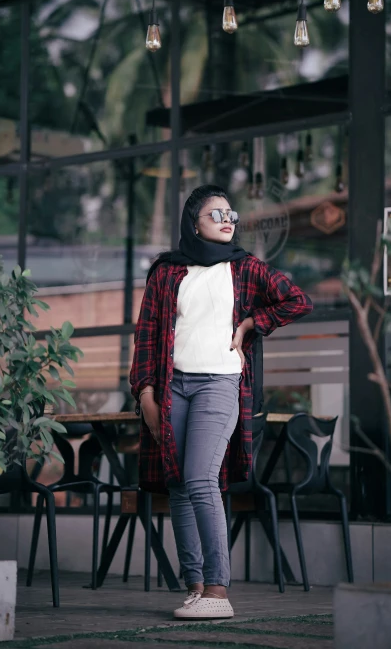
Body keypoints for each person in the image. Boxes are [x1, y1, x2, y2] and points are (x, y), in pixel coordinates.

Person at [130, 184, 313, 619]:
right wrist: (146, 393)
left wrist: (254, 321)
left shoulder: (246, 268)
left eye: (231, 213)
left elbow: (297, 300)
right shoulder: (167, 272)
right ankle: (194, 587)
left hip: (220, 383)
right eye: (217, 214)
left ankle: (218, 591)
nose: (228, 220)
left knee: (199, 477)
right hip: (171, 386)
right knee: (177, 484)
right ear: (193, 223)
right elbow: (146, 336)